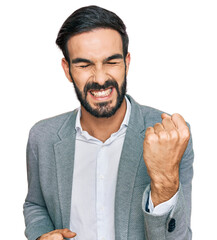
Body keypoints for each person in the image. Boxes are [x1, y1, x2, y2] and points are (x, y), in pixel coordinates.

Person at [23, 5, 194, 240]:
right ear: (67, 69)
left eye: (111, 62)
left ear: (127, 62)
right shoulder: (42, 136)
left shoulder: (170, 137)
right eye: (84, 65)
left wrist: (164, 181)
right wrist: (41, 235)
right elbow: (35, 205)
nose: (100, 78)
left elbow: (178, 237)